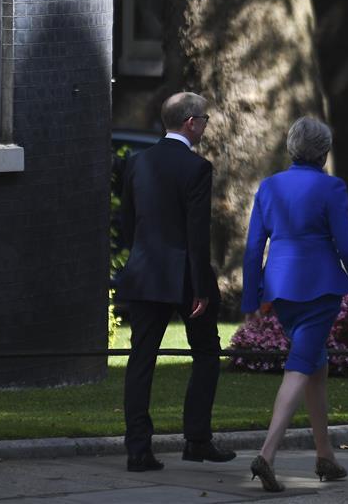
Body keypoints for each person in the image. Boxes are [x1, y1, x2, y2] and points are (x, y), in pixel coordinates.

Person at [241, 117, 348, 492]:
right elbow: (347, 247)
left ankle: (326, 457)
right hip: (319, 288)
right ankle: (266, 455)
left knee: (316, 365)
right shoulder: (331, 187)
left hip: (281, 288)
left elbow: (254, 248)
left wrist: (251, 297)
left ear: (291, 148)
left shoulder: (269, 186)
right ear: (324, 152)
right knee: (301, 366)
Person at [116, 92, 235, 472]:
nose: (205, 125)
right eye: (204, 119)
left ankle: (138, 449)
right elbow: (196, 234)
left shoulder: (136, 163)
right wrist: (201, 288)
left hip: (145, 272)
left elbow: (128, 223)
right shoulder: (196, 168)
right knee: (206, 353)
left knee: (140, 360)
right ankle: (197, 439)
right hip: (184, 277)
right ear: (190, 123)